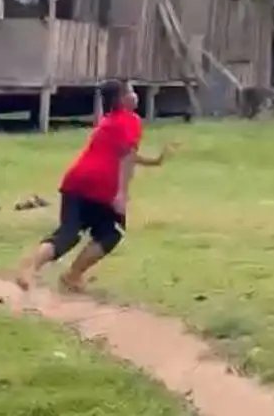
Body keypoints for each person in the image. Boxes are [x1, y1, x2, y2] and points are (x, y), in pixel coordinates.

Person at [16, 80, 171, 293]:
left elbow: (120, 153)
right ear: (121, 99)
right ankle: (73, 275)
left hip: (75, 180)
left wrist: (153, 161)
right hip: (101, 186)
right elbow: (126, 158)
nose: (135, 95)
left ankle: (30, 268)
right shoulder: (131, 120)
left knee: (68, 233)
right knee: (112, 232)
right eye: (131, 91)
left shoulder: (108, 121)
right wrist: (122, 194)